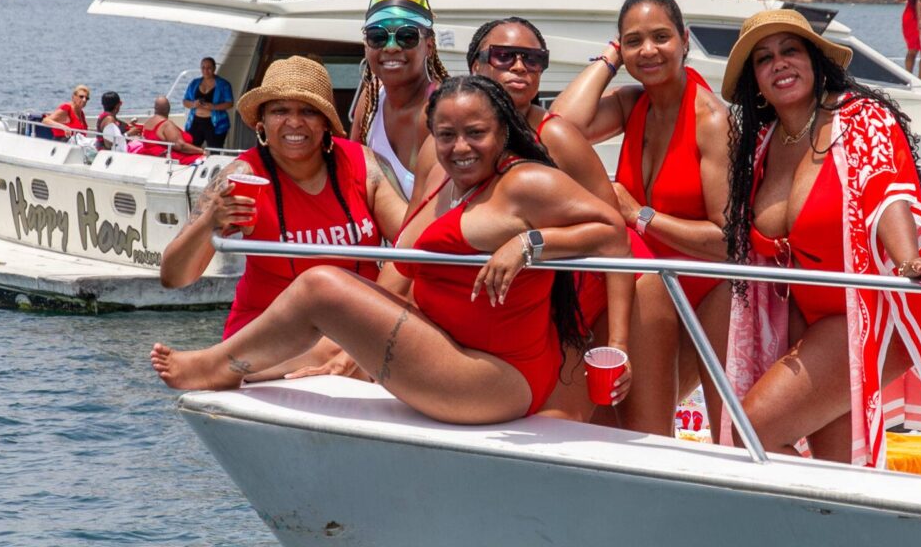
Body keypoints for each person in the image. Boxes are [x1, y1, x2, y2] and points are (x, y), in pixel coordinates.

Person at [151, 75, 630, 426]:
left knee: (320, 285)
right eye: (445, 135)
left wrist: (531, 244)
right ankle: (231, 362)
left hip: (491, 379)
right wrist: (211, 218)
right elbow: (406, 258)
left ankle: (215, 366)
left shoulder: (525, 181)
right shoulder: (454, 185)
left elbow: (613, 233)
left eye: (475, 133)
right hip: (456, 351)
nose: (459, 146)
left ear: (504, 131)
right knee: (329, 294)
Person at [719, 8, 921, 475]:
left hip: (865, 315)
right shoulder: (763, 144)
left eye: (791, 50)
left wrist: (911, 262)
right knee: (841, 474)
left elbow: (891, 193)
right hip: (809, 325)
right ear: (756, 81)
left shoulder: (861, 119)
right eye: (764, 58)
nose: (779, 64)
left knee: (748, 432)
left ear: (815, 59)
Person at [405, 17, 639, 413]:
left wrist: (617, 344)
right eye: (504, 56)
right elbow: (410, 246)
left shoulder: (557, 138)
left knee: (599, 427)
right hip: (515, 309)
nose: (519, 67)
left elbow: (615, 239)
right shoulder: (443, 147)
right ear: (475, 66)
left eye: (533, 59)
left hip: (593, 293)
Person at [550, 0, 733, 436]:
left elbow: (728, 242)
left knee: (710, 429)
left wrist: (639, 215)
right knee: (622, 426)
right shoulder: (635, 104)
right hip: (649, 290)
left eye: (661, 37)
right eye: (633, 41)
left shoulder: (710, 118)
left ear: (684, 40)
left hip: (709, 292)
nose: (648, 50)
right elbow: (560, 127)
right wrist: (611, 59)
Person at [160, 56, 406, 379]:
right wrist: (210, 222)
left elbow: (414, 244)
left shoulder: (363, 166)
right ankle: (225, 365)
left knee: (355, 344)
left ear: (326, 123)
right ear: (261, 122)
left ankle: (220, 367)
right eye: (280, 111)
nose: (294, 123)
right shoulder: (243, 176)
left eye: (308, 111)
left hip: (358, 331)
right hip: (265, 337)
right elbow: (174, 277)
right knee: (353, 349)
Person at [351, 0, 450, 199]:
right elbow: (351, 179)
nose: (392, 47)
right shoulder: (370, 100)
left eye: (407, 36)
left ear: (429, 45)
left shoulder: (443, 110)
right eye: (378, 37)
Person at [182, 56, 234, 149]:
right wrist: (194, 104)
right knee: (190, 148)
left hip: (215, 124)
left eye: (209, 68)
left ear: (214, 68)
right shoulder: (194, 83)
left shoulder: (223, 84)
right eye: (203, 68)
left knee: (215, 151)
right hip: (195, 122)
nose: (206, 70)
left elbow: (230, 103)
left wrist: (213, 107)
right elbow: (185, 101)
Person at [138, 97, 205, 164]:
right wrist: (202, 151)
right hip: (168, 158)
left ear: (155, 108)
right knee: (207, 159)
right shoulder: (166, 125)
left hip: (151, 155)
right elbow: (181, 146)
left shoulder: (148, 122)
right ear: (169, 109)